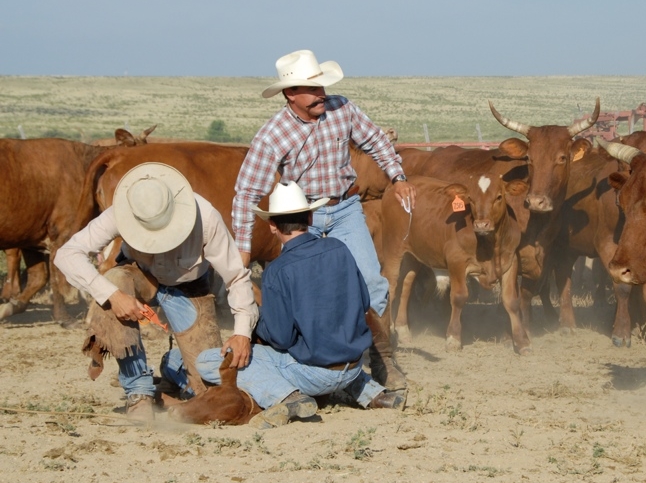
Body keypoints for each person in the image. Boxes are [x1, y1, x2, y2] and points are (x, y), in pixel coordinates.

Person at [232, 49, 414, 396]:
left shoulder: (341, 108)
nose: (322, 94)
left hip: (345, 207)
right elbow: (245, 194)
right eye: (312, 89)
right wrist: (243, 247)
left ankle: (379, 357)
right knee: (309, 294)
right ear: (290, 95)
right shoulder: (273, 135)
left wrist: (398, 176)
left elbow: (375, 139)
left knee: (373, 285)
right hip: (305, 218)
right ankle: (319, 362)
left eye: (321, 87)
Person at [55, 162, 257, 423]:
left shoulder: (206, 217)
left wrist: (242, 331)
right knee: (115, 280)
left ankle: (171, 376)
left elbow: (236, 275)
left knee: (209, 384)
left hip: (189, 287)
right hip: (139, 274)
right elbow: (67, 254)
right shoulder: (123, 211)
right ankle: (138, 392)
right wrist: (113, 295)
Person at [193, 182, 403, 429]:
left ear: (272, 226)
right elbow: (364, 303)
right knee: (328, 345)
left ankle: (288, 396)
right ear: (311, 217)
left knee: (207, 361)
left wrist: (259, 322)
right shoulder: (340, 248)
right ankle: (370, 392)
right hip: (355, 364)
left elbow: (281, 338)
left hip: (315, 375)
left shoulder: (277, 271)